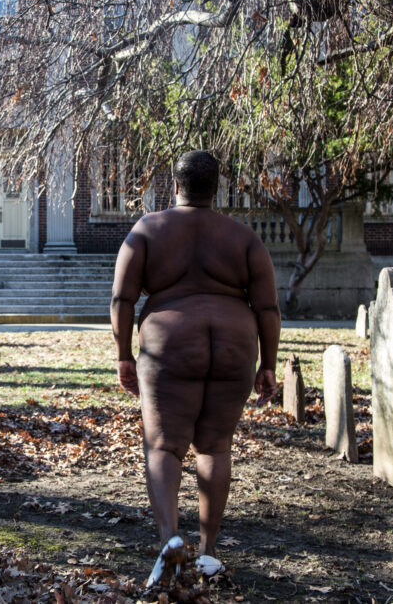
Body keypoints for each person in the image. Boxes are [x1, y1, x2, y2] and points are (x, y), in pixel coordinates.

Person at [110, 149, 281, 587]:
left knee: (164, 447)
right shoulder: (243, 237)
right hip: (234, 342)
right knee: (215, 447)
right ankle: (207, 553)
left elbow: (122, 299)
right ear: (216, 188)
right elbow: (268, 307)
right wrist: (268, 364)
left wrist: (123, 354)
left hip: (170, 341)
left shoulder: (148, 230)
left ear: (175, 184)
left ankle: (170, 539)